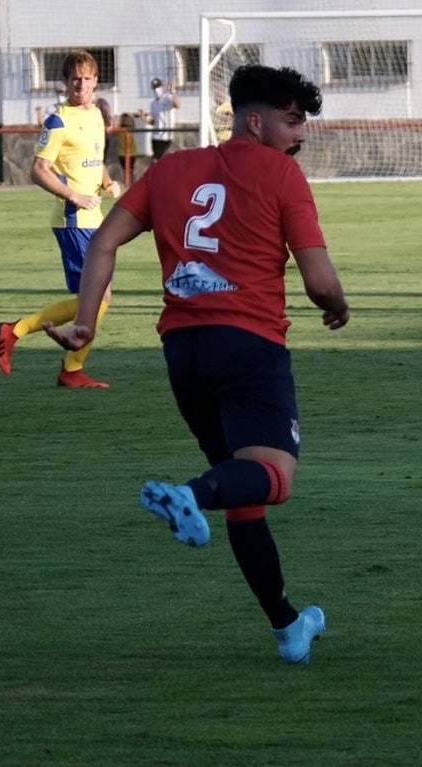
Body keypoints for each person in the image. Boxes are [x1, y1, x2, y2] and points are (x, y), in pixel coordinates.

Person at [44, 64, 351, 665]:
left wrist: (86, 323)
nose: (300, 136)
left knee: (245, 496)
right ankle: (188, 493)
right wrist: (338, 305)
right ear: (255, 120)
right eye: (292, 122)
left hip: (184, 354)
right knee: (274, 476)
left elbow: (102, 242)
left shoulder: (170, 170)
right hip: (250, 348)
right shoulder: (281, 173)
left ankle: (289, 626)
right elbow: (319, 282)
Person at [0, 50, 122, 388]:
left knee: (96, 299)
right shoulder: (58, 120)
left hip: (96, 219)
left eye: (87, 78)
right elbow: (39, 171)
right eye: (75, 78)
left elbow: (91, 161)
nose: (81, 84)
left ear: (96, 81)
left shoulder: (96, 114)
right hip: (73, 221)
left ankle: (41, 348)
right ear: (65, 82)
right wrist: (74, 196)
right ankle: (57, 359)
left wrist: (107, 181)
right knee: (99, 298)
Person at [138, 77, 180, 163]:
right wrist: (143, 117)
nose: (156, 90)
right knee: (157, 160)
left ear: (162, 87)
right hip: (156, 136)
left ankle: (154, 175)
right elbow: (153, 121)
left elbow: (177, 105)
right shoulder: (153, 103)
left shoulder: (168, 98)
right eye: (154, 88)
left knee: (156, 160)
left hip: (166, 136)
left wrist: (173, 92)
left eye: (158, 87)